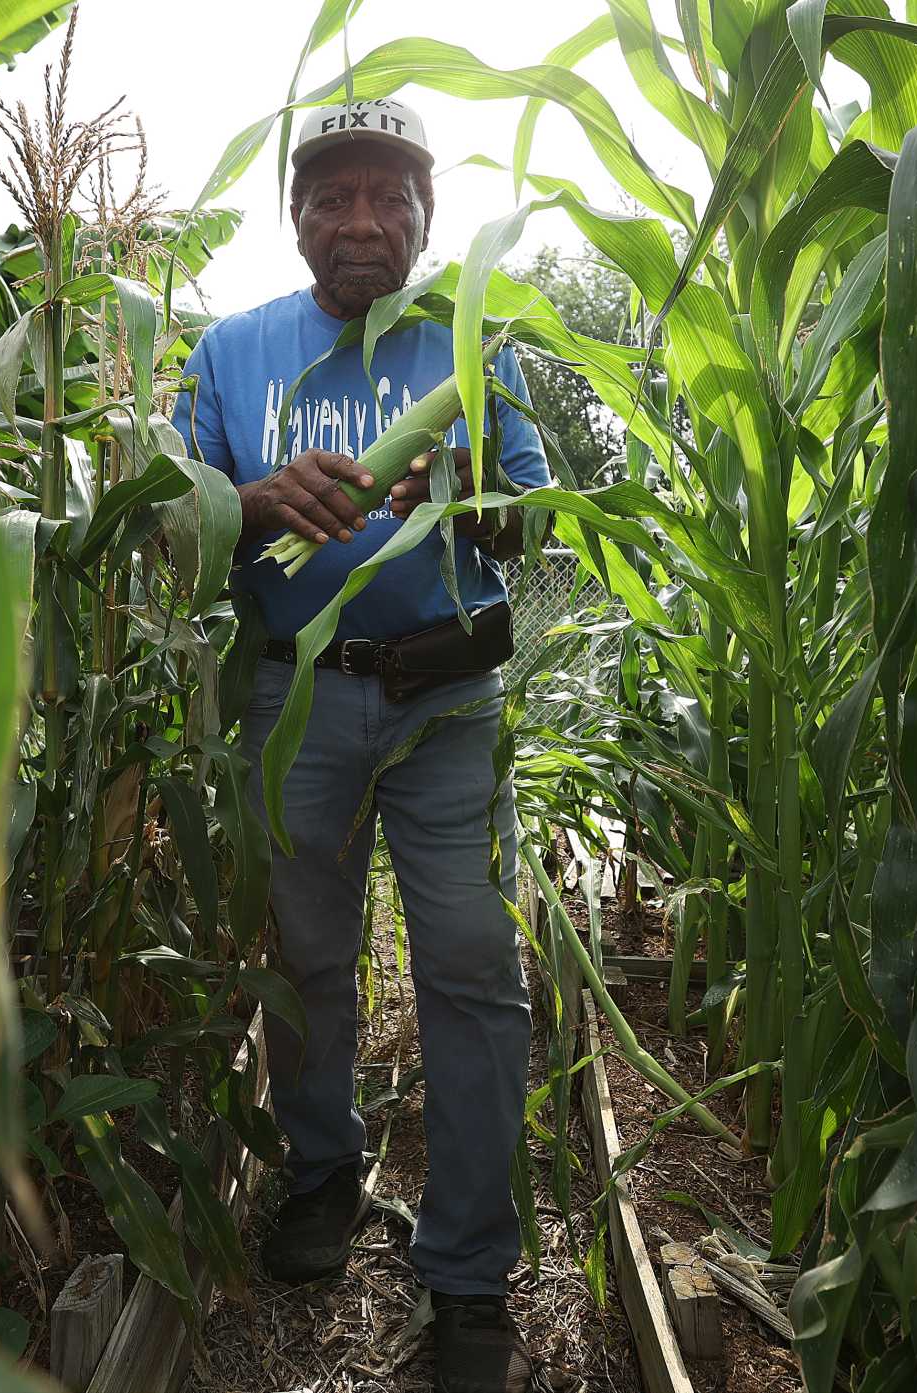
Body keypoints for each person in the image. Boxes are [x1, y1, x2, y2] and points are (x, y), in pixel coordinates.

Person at [173, 96, 543, 1393]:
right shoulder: (230, 354)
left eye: (391, 194)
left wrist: (473, 495)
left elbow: (532, 522)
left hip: (449, 705)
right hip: (300, 702)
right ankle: (321, 1176)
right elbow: (163, 499)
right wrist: (249, 499)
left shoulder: (473, 345)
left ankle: (469, 1275)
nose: (364, 221)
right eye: (334, 195)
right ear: (296, 216)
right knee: (310, 961)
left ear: (428, 213)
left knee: (474, 973)